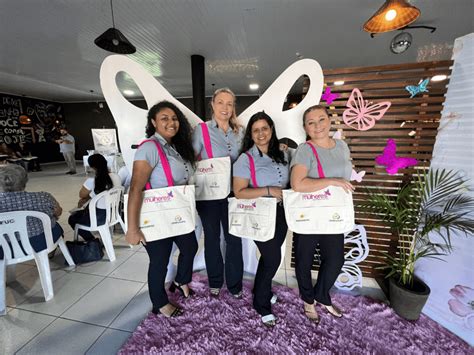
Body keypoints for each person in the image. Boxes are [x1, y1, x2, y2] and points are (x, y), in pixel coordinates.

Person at [126, 101, 198, 318]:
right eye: (164, 118)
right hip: (156, 215)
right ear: (153, 122)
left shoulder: (176, 147)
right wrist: (132, 228)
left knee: (190, 246)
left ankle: (181, 280)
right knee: (159, 261)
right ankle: (160, 302)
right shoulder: (149, 147)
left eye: (174, 118)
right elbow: (136, 187)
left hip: (176, 212)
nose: (171, 122)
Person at [290, 105, 354, 323]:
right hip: (309, 215)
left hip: (333, 215)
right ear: (305, 127)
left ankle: (322, 294)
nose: (317, 126)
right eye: (311, 122)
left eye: (321, 119)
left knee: (335, 260)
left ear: (329, 120)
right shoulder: (304, 150)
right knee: (304, 261)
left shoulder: (342, 146)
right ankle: (308, 300)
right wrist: (332, 181)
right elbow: (297, 184)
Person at [233, 111, 289, 327]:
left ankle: (260, 288)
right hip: (261, 214)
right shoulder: (245, 159)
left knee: (270, 257)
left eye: (264, 128)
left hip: (282, 213)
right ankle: (261, 303)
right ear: (251, 134)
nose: (261, 133)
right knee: (273, 258)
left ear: (272, 130)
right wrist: (269, 190)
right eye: (256, 130)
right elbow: (239, 191)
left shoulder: (284, 153)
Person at [192, 88, 244, 298]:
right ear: (212, 105)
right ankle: (215, 280)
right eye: (220, 102)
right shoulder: (201, 130)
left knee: (234, 239)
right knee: (212, 238)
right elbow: (192, 159)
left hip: (235, 193)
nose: (225, 107)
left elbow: (249, 158)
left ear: (233, 107)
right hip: (209, 194)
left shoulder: (240, 131)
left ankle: (234, 284)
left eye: (229, 104)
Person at [0, 165, 64, 259]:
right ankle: (49, 253)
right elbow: (58, 212)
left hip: (4, 248)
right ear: (25, 180)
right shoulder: (43, 197)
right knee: (56, 226)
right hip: (41, 243)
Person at [68, 154, 121, 241]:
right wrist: (90, 195)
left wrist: (87, 196)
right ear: (105, 162)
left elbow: (81, 195)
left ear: (92, 167)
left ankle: (92, 240)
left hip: (100, 217)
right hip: (115, 213)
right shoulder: (116, 176)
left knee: (73, 219)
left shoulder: (92, 180)